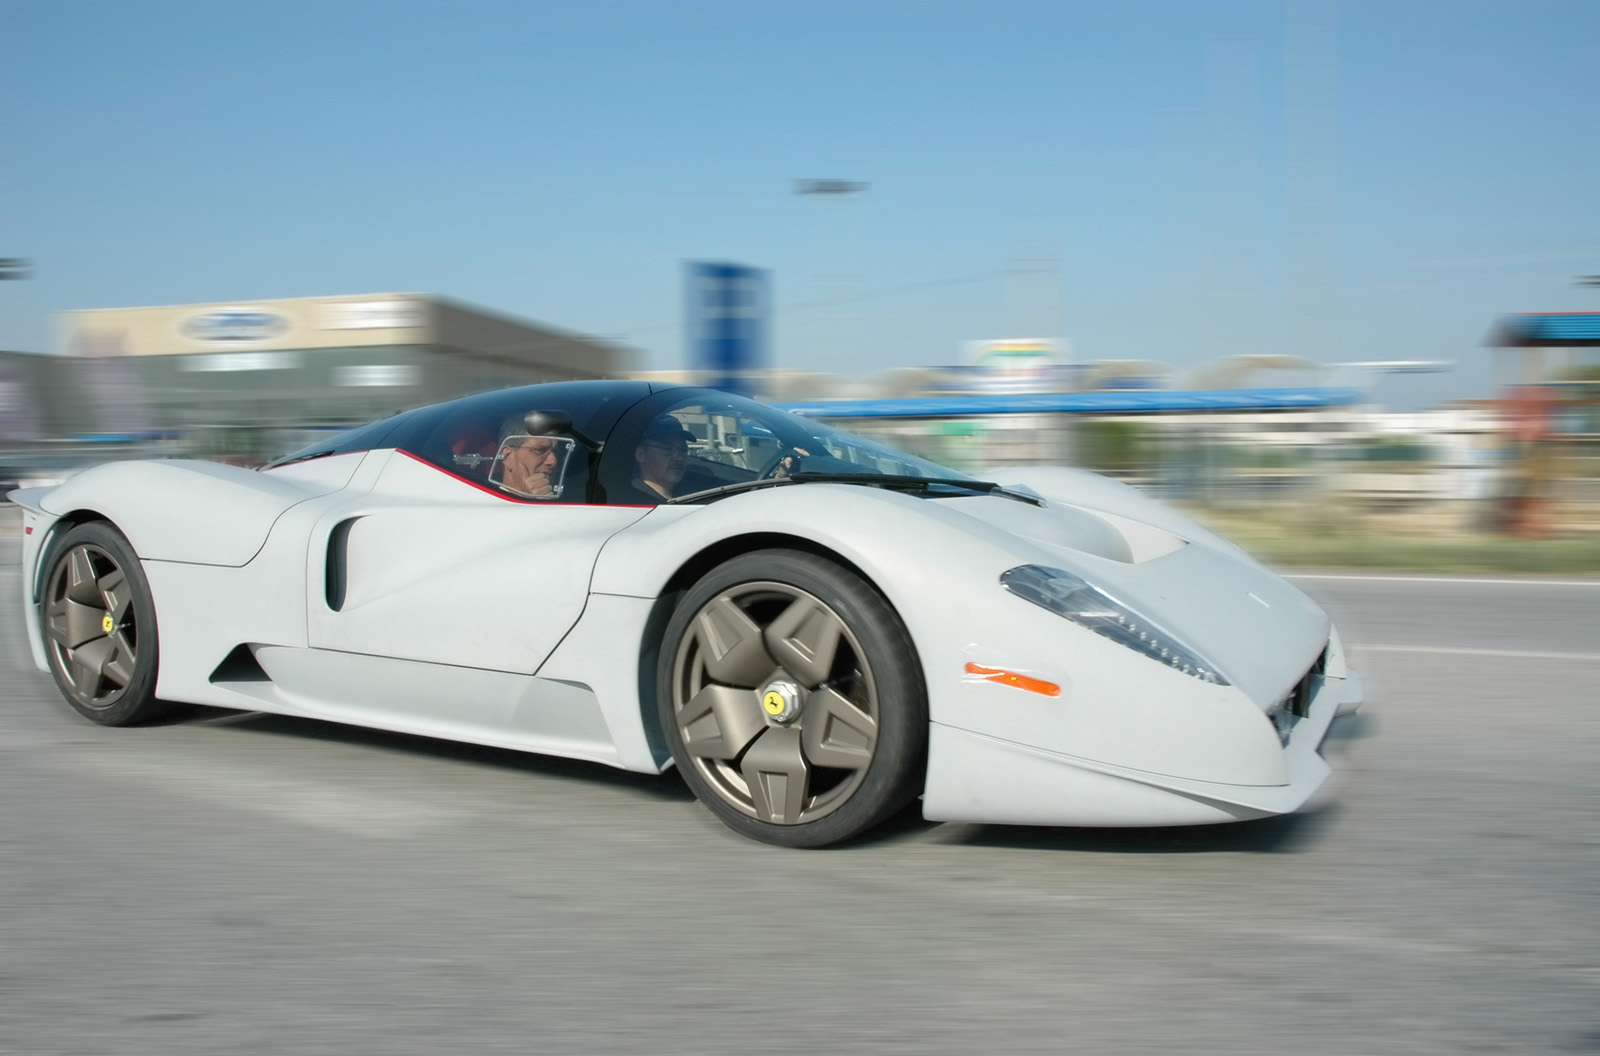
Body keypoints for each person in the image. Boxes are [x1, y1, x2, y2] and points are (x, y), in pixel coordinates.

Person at [632, 415, 694, 500]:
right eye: (667, 449)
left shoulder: (692, 496)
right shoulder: (632, 500)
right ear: (641, 454)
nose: (678, 457)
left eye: (683, 449)